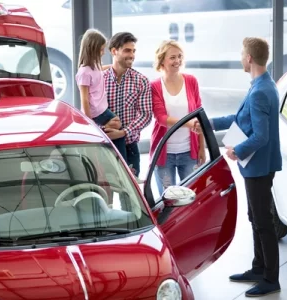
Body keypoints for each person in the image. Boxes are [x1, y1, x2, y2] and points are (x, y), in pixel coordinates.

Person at [211, 37, 282, 297]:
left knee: (263, 222)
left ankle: (270, 279)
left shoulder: (261, 90)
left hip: (258, 167)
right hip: (258, 167)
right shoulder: (262, 85)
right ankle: (258, 268)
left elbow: (260, 136)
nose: (241, 58)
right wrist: (209, 123)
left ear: (249, 58)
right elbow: (240, 119)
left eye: (242, 54)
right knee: (256, 218)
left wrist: (236, 150)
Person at [149, 40, 206, 195]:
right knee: (169, 199)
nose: (177, 61)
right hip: (164, 156)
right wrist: (190, 124)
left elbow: (199, 115)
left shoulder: (191, 81)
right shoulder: (154, 86)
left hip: (189, 152)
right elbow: (161, 118)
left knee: (191, 197)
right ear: (162, 61)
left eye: (180, 56)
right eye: (172, 57)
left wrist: (202, 147)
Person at [103, 32, 153, 177]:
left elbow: (146, 115)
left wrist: (123, 132)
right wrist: (104, 130)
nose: (132, 55)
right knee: (106, 194)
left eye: (133, 51)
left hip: (130, 147)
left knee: (131, 197)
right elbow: (91, 112)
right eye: (127, 50)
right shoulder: (100, 79)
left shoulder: (141, 81)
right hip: (105, 146)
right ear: (114, 51)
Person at [75, 28, 127, 162]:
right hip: (96, 112)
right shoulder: (84, 72)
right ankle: (122, 163)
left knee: (116, 127)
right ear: (93, 49)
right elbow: (84, 99)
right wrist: (89, 122)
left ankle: (119, 161)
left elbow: (99, 71)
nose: (103, 52)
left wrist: (113, 66)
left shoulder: (95, 65)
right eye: (101, 49)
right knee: (118, 129)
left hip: (102, 108)